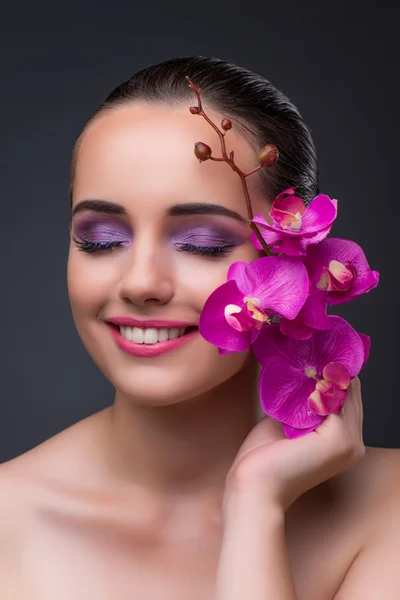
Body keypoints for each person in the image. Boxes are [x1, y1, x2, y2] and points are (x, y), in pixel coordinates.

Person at [0, 55, 399, 599]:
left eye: (201, 244)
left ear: (299, 260)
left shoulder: (389, 511)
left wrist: (256, 506)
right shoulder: (9, 520)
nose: (140, 283)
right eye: (100, 239)